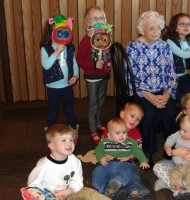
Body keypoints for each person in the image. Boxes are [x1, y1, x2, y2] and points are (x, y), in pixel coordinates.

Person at [126, 11, 178, 165]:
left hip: (163, 91)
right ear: (142, 30)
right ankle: (147, 151)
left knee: (172, 112)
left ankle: (171, 150)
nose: (156, 32)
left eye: (159, 28)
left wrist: (167, 94)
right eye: (151, 28)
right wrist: (150, 96)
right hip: (142, 92)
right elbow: (131, 78)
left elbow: (172, 73)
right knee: (147, 114)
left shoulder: (165, 46)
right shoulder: (133, 47)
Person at [26, 124, 110, 200]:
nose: (69, 143)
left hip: (72, 191)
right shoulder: (44, 166)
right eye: (63, 140)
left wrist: (70, 190)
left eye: (71, 140)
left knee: (93, 195)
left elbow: (77, 180)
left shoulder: (74, 160)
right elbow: (33, 187)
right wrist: (49, 196)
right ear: (52, 146)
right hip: (54, 196)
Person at [77, 6, 112, 145]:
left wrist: (107, 62)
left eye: (101, 18)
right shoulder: (86, 41)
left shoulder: (105, 37)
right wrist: (93, 65)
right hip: (92, 77)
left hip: (104, 75)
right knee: (93, 103)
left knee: (101, 101)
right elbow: (80, 60)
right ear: (88, 22)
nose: (98, 20)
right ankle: (92, 130)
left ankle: (98, 123)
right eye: (94, 17)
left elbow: (107, 53)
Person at [41, 15, 79, 137]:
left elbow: (73, 63)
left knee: (69, 109)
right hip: (53, 87)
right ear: (51, 32)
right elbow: (46, 65)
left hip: (66, 85)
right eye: (58, 31)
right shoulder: (45, 48)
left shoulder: (69, 48)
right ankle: (51, 132)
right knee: (53, 111)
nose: (61, 35)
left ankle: (73, 128)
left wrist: (76, 75)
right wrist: (56, 52)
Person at [100, 102, 150, 197]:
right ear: (122, 114)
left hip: (128, 163)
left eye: (138, 119)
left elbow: (138, 151)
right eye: (132, 116)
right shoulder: (110, 130)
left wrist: (130, 156)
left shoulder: (136, 134)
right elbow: (101, 148)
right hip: (111, 163)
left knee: (133, 175)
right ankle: (112, 191)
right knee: (110, 175)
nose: (134, 120)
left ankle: (134, 194)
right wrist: (105, 155)